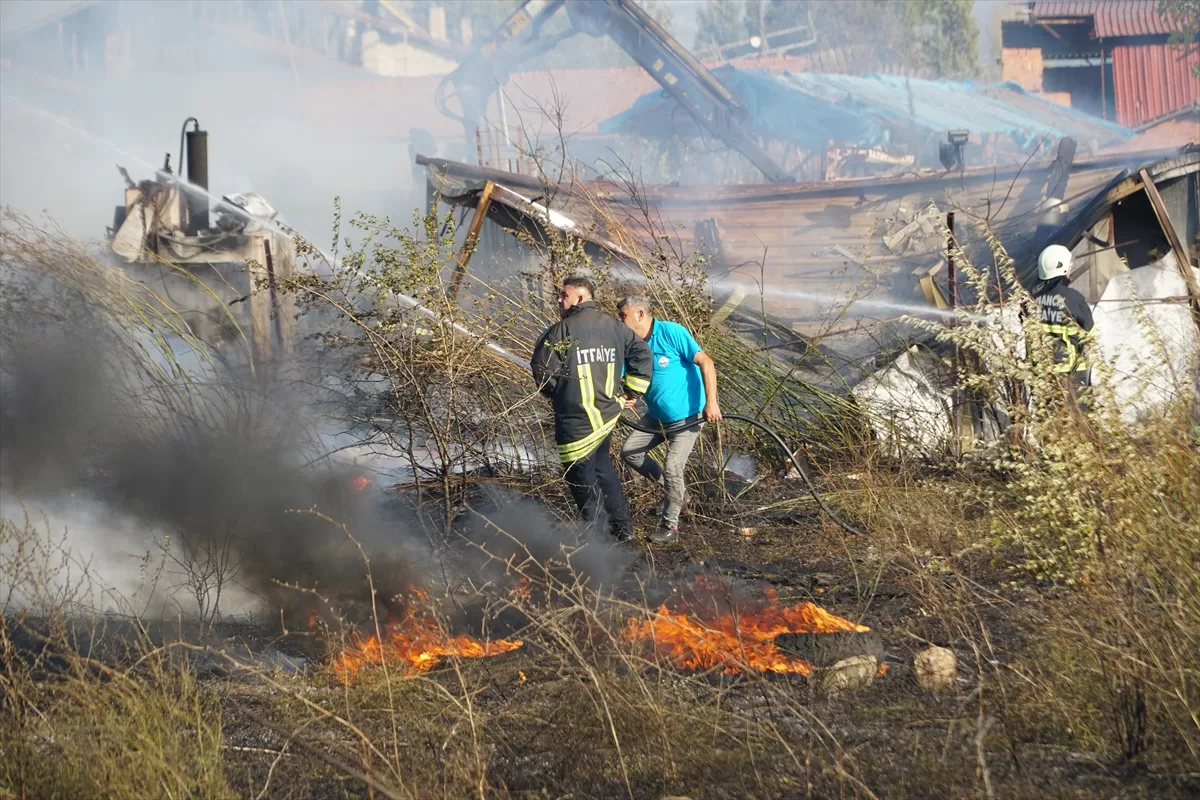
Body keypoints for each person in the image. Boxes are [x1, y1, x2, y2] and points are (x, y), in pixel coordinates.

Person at [531, 276, 654, 542]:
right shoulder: (614, 327)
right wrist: (631, 391)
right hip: (608, 414)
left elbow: (542, 370)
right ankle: (624, 529)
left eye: (564, 295)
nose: (559, 300)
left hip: (577, 419)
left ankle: (596, 538)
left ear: (579, 298)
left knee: (580, 476)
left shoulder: (562, 331)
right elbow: (643, 353)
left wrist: (557, 393)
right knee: (602, 469)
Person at [616, 296, 721, 543]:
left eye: (623, 315)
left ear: (640, 314)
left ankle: (670, 527)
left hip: (689, 418)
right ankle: (677, 494)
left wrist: (712, 403)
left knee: (674, 467)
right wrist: (626, 396)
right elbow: (626, 381)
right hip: (656, 418)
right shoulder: (629, 345)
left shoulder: (671, 332)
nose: (619, 321)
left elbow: (706, 362)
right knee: (630, 451)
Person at [1032, 244, 1094, 404]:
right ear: (1063, 269)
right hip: (1072, 376)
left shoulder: (1030, 299)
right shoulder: (1073, 299)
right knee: (1076, 425)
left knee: (1048, 423)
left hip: (1041, 378)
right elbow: (1091, 334)